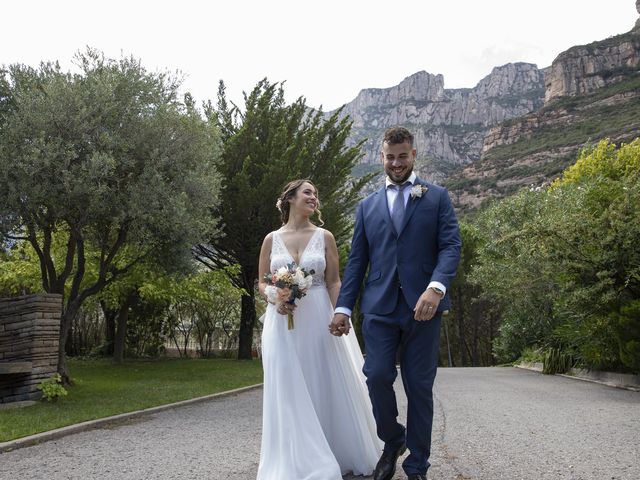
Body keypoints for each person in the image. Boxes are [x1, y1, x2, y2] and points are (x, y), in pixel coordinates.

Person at [331, 126, 462, 480]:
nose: (396, 163)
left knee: (419, 386)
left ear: (414, 155)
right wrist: (343, 307)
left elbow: (451, 247)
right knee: (376, 376)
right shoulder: (367, 206)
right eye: (390, 157)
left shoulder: (437, 197)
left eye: (402, 156)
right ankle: (393, 440)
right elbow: (357, 261)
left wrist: (435, 288)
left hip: (424, 308)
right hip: (379, 307)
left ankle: (417, 463)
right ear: (381, 158)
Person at [256, 179, 381, 480]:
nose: (314, 197)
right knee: (287, 384)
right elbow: (262, 281)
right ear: (290, 199)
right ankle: (295, 457)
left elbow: (335, 281)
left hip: (319, 317)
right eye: (307, 192)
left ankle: (333, 450)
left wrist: (342, 313)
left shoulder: (325, 236)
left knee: (323, 378)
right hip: (281, 322)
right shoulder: (271, 239)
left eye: (315, 194)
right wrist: (275, 296)